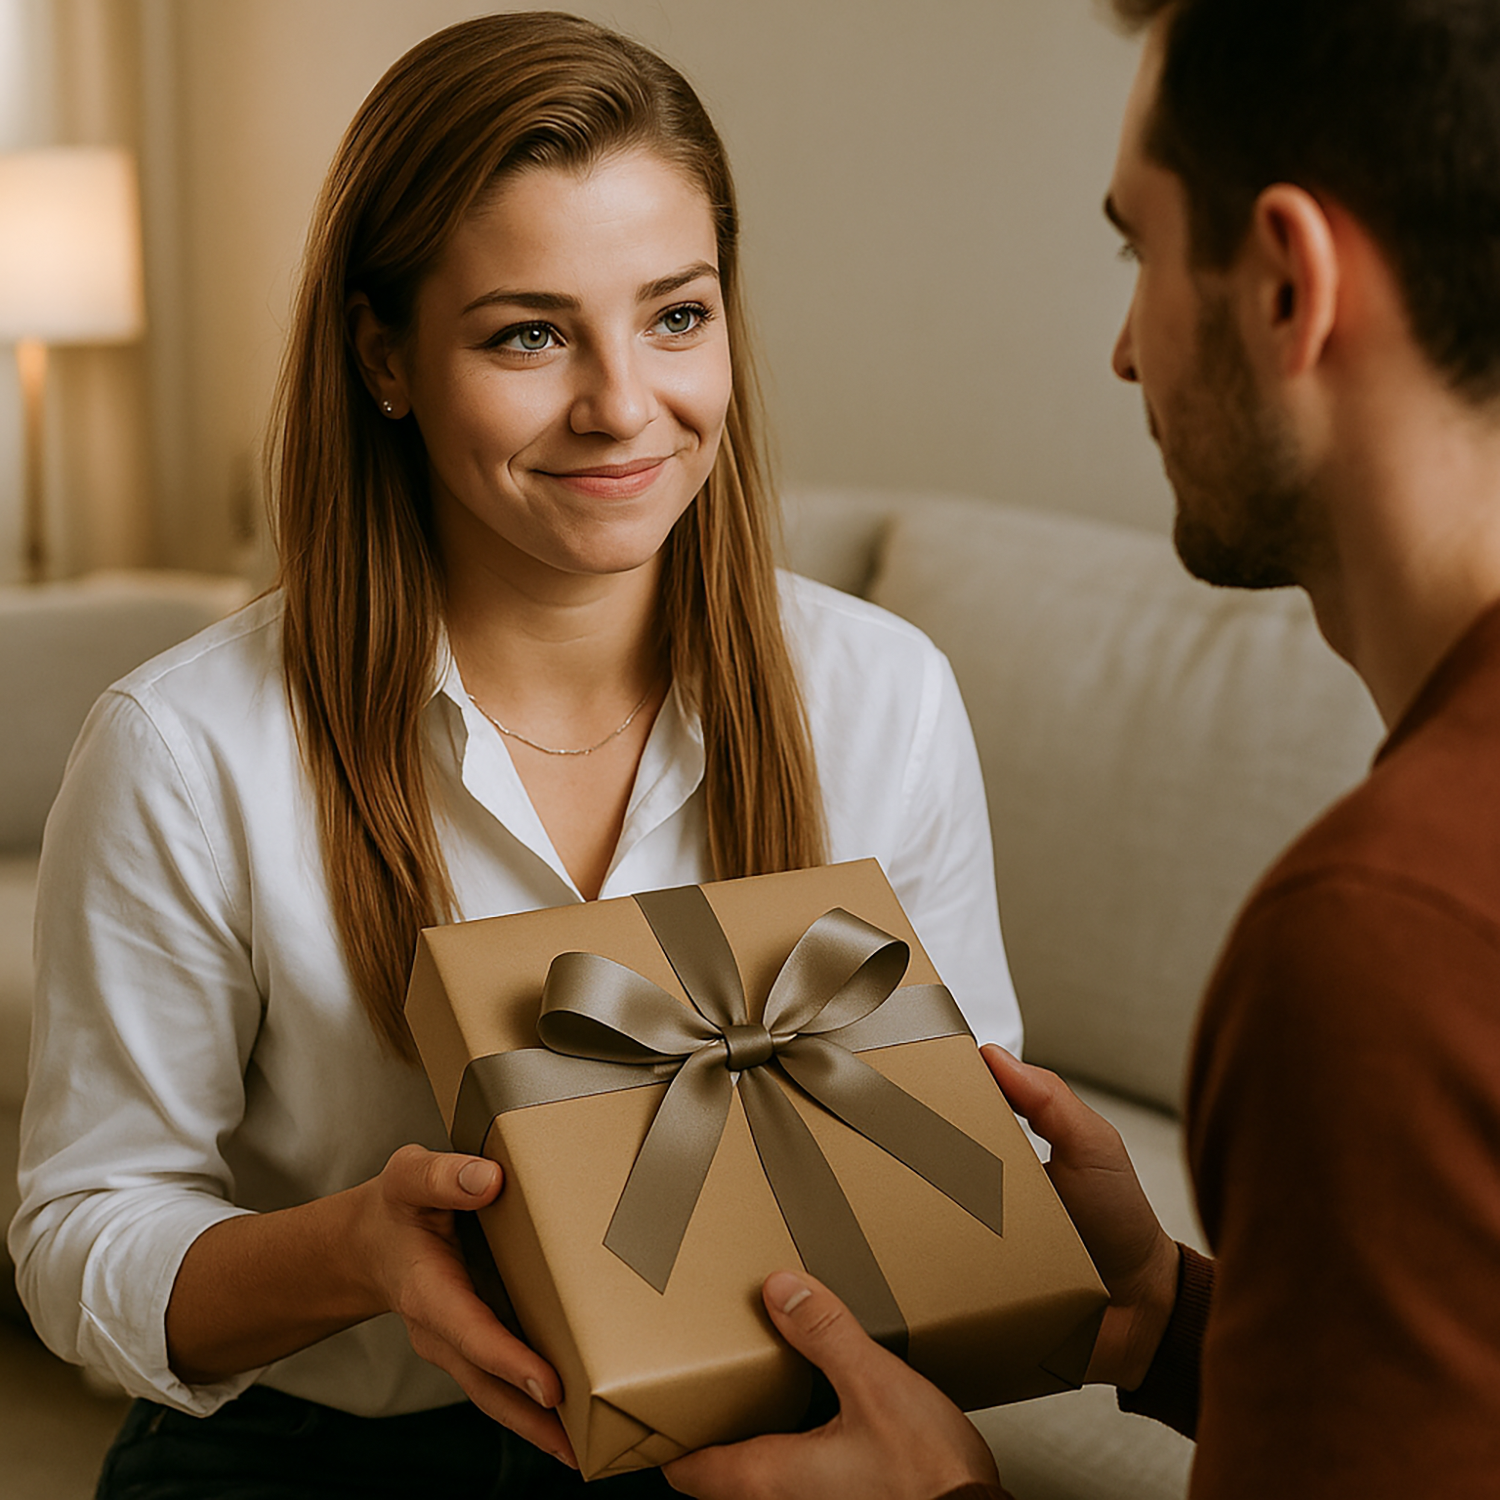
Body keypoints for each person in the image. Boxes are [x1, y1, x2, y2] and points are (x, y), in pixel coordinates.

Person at [6, 14, 1022, 1498]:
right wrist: (354, 1251)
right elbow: (79, 1232)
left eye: (676, 316)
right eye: (529, 334)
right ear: (385, 356)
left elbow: (976, 1149)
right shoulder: (187, 748)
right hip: (315, 1456)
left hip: (740, 1441)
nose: (622, 405)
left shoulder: (884, 697)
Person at [662, 0, 1500, 1496]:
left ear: (1289, 285)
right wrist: (1173, 1321)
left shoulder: (1379, 937)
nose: (1125, 352)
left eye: (1142, 248)